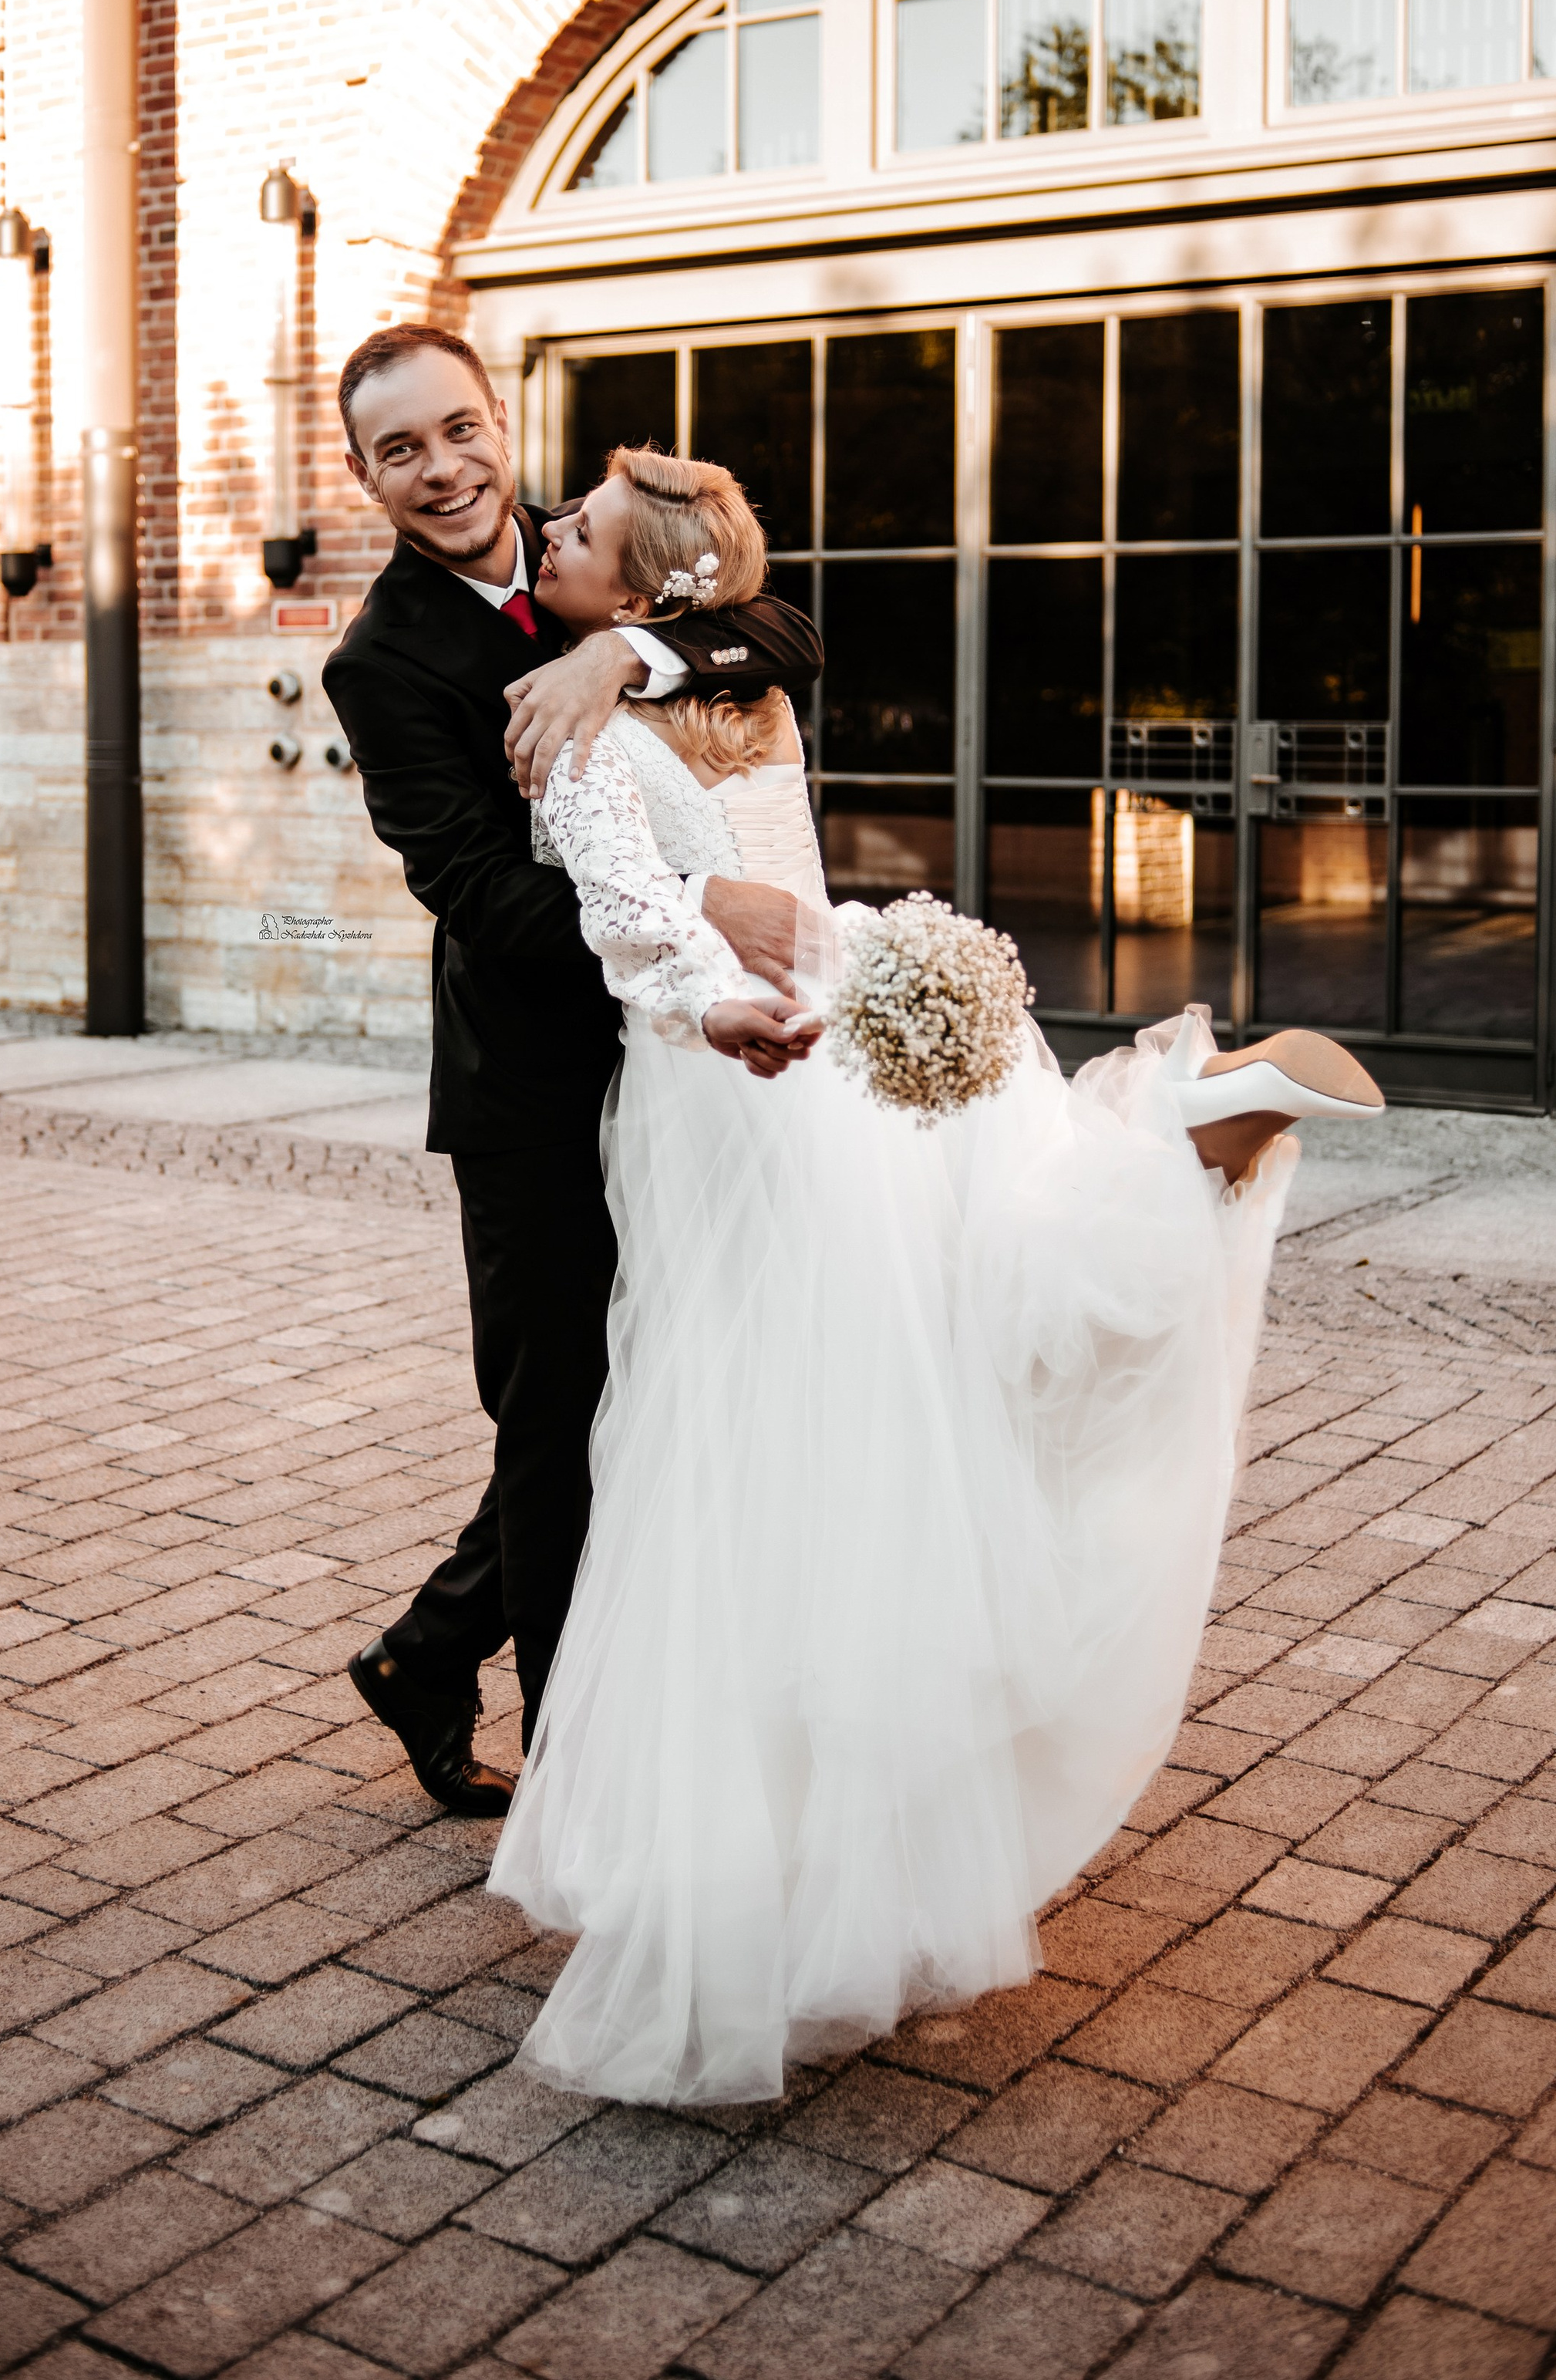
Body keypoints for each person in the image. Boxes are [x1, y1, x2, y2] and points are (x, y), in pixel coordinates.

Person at [487, 444, 1386, 2107]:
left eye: (581, 529)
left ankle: (769, 1889)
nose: (548, 530)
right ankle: (1179, 1131)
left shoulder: (574, 716)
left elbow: (632, 924)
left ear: (646, 583)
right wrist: (646, 651)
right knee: (963, 1337)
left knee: (765, 1454)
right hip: (860, 1026)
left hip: (744, 1086)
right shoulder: (741, 698)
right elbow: (741, 693)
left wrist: (713, 1003)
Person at [323, 325, 825, 1815]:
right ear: (363, 477)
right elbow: (479, 888)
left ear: (500, 421)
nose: (444, 470)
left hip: (695, 1079)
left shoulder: (588, 549)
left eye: (459, 430)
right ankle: (581, 1783)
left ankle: (426, 1650)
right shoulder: (383, 662)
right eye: (400, 450)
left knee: (659, 1390)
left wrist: (628, 647)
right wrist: (691, 920)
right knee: (557, 1421)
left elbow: (784, 631)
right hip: (537, 1088)